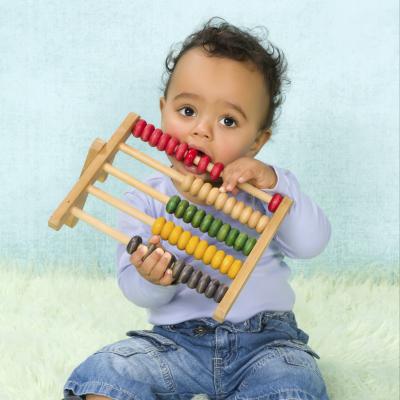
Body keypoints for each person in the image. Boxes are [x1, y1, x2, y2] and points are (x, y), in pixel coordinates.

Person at [63, 17, 331, 400]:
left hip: (267, 344)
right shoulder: (144, 197)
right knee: (108, 371)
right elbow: (135, 290)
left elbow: (311, 244)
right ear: (162, 110)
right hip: (175, 345)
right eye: (187, 111)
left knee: (293, 384)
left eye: (228, 120)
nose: (201, 130)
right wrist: (152, 280)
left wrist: (275, 182)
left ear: (256, 142)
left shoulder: (265, 193)